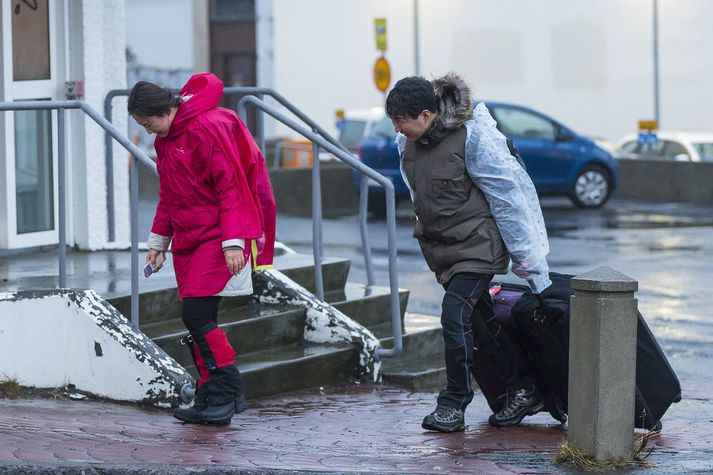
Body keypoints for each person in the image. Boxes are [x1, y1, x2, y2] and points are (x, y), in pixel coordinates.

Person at [386, 73, 560, 432]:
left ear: (425, 114)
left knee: (454, 314)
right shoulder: (408, 146)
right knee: (480, 325)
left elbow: (508, 195)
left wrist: (532, 264)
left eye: (401, 120)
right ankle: (523, 389)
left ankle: (453, 404)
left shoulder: (473, 137)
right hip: (444, 253)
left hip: (479, 247)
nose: (396, 128)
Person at [128, 73, 276, 425]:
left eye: (147, 122)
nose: (147, 130)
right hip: (190, 239)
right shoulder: (167, 140)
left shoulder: (205, 129)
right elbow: (170, 196)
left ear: (163, 109)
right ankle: (212, 396)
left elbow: (231, 186)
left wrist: (233, 242)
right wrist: (158, 244)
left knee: (195, 316)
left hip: (215, 236)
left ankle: (225, 390)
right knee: (201, 318)